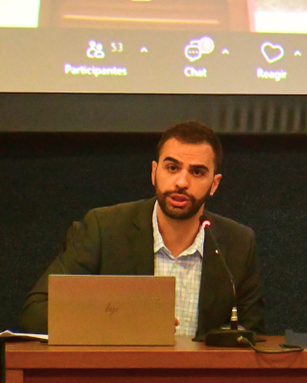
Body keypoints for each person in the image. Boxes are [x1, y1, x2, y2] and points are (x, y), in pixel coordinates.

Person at [19, 121, 264, 336]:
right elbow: (37, 311)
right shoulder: (105, 229)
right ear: (154, 172)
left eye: (197, 172)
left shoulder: (238, 244)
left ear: (214, 184)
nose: (181, 181)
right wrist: (125, 325)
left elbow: (253, 335)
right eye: (172, 168)